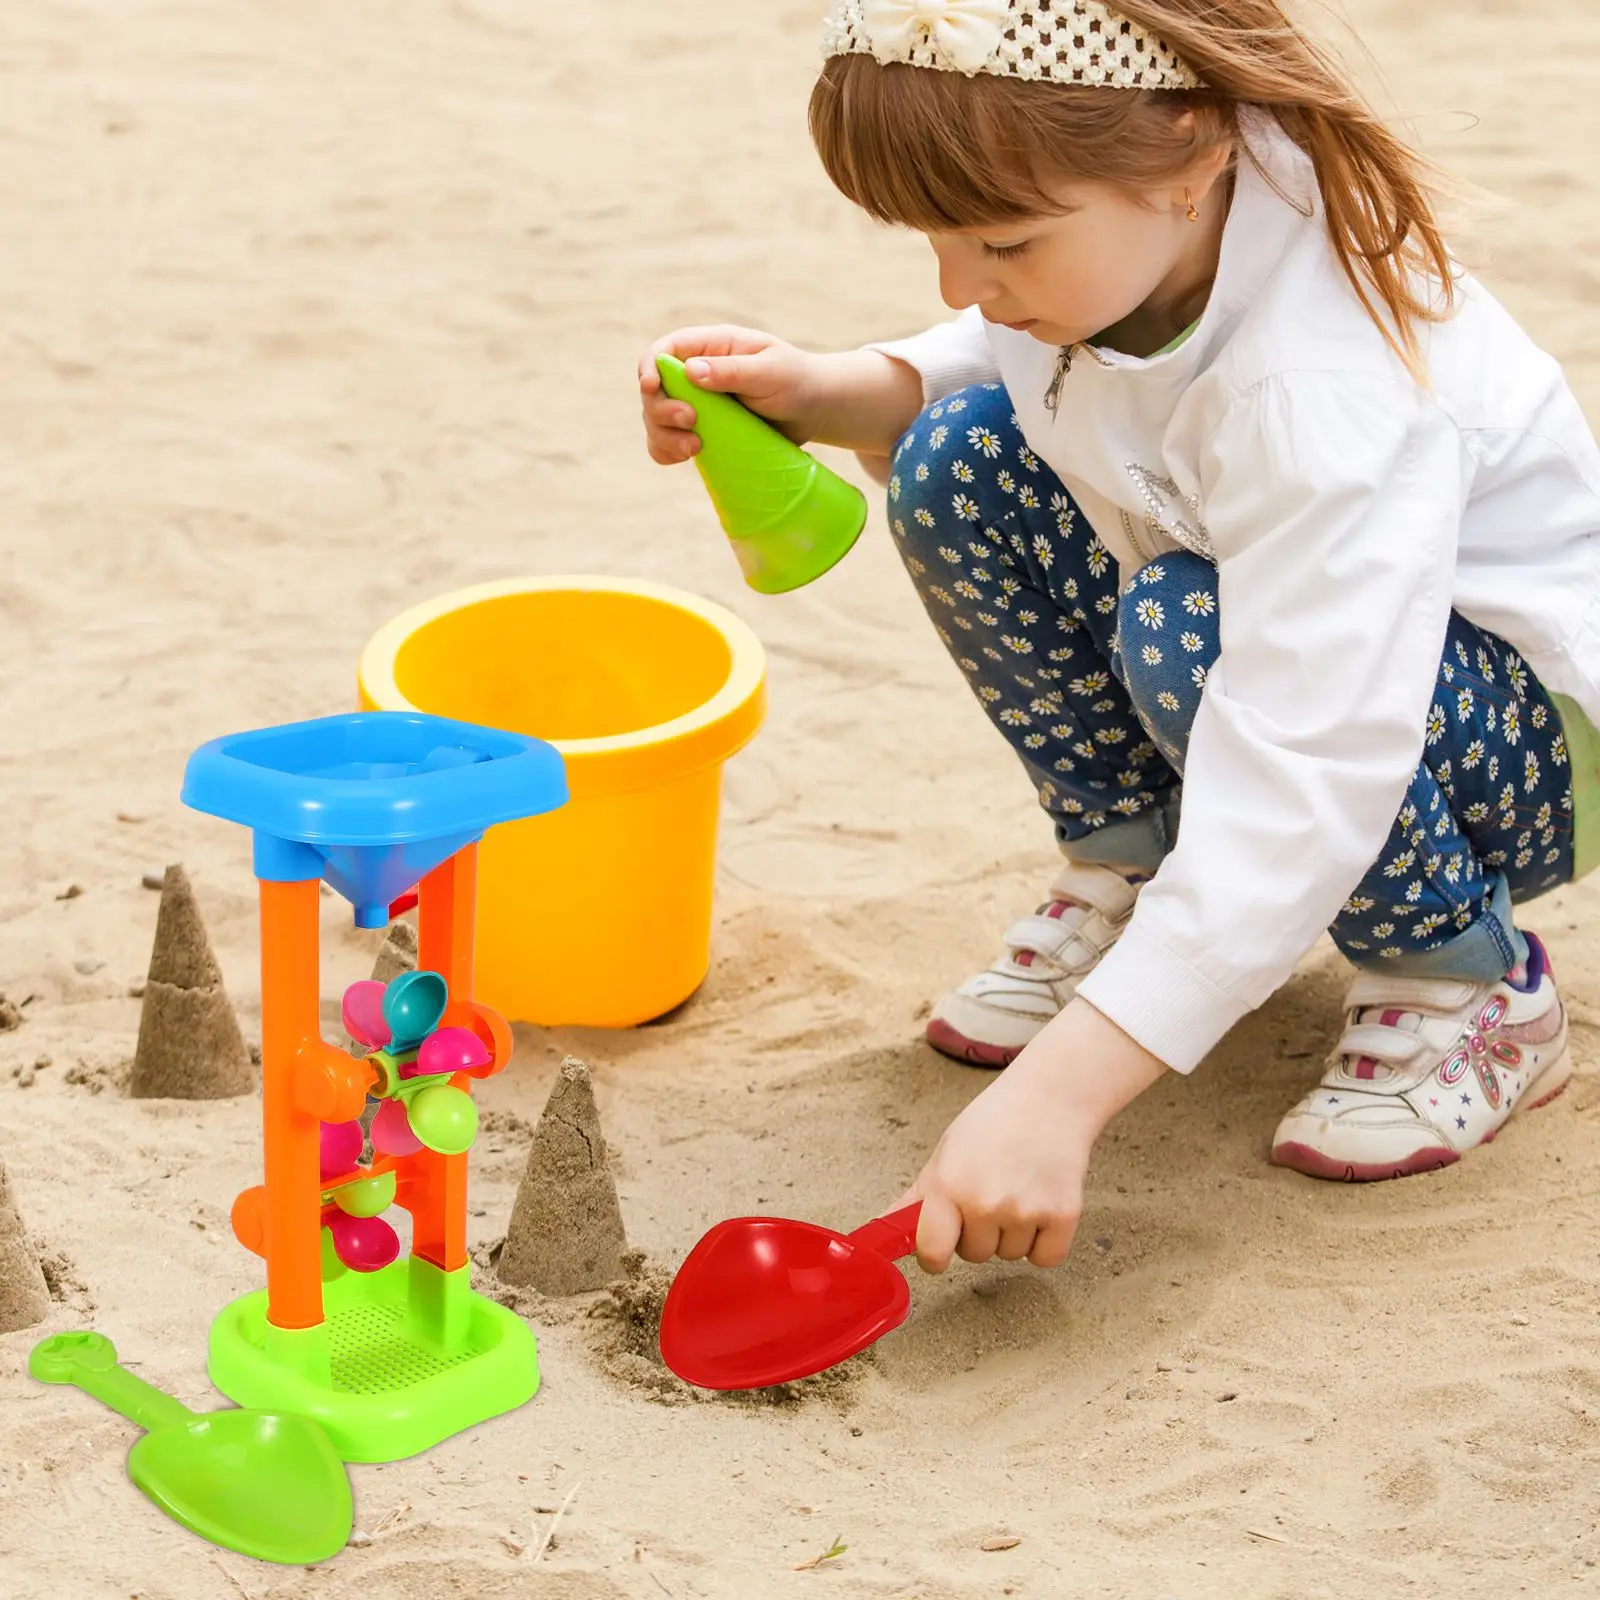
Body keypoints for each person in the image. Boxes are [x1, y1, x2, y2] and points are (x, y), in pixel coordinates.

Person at [637, 0, 1600, 1273]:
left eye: (1002, 239)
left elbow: (1310, 757)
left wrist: (1060, 1098)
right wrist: (843, 390)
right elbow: (1023, 356)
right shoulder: (1149, 235)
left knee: (1185, 623)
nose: (957, 278)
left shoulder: (1322, 388)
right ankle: (1141, 873)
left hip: (1515, 753)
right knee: (950, 458)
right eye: (934, 236)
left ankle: (1464, 982)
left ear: (1192, 154)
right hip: (1304, 670)